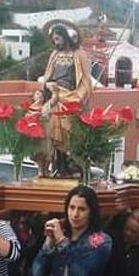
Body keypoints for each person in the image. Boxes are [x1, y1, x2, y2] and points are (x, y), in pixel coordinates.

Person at [42, 22, 93, 175]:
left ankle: (73, 165)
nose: (55, 42)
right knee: (54, 134)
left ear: (64, 37)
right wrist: (47, 87)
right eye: (53, 40)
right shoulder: (54, 55)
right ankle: (59, 165)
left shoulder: (79, 54)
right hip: (56, 96)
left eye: (57, 39)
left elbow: (85, 79)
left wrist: (79, 97)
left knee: (69, 133)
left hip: (71, 98)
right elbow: (47, 76)